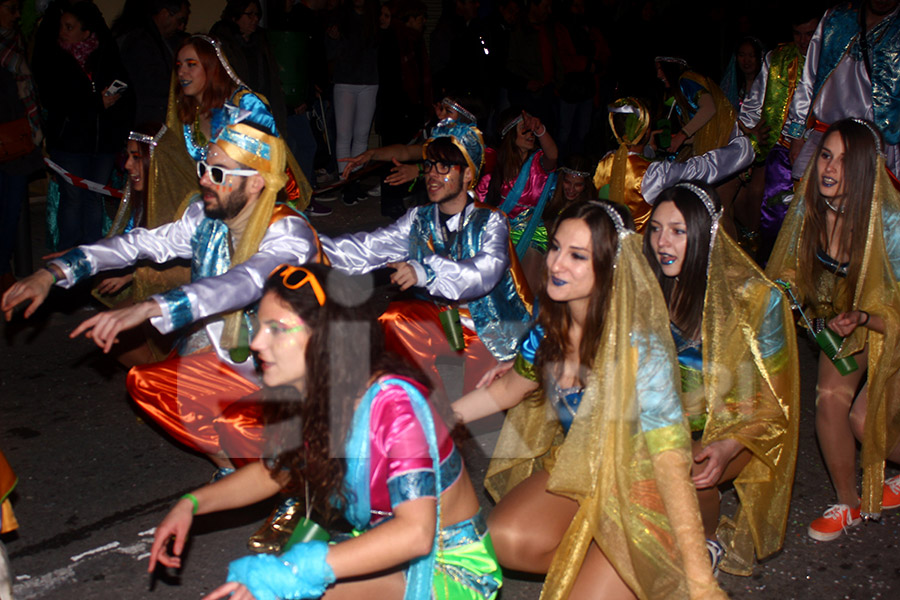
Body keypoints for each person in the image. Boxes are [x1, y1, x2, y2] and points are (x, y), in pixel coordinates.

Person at [148, 264, 503, 600]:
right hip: (389, 548)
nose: (256, 343)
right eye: (260, 325)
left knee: (290, 588)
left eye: (277, 328)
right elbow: (276, 473)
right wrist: (191, 504)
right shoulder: (324, 396)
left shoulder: (396, 407)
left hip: (449, 568)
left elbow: (416, 534)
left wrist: (292, 570)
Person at [1, 119, 321, 474]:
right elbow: (141, 242)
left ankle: (290, 471)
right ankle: (241, 473)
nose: (202, 180)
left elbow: (242, 282)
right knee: (153, 385)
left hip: (295, 363)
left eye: (218, 173)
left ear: (256, 182)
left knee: (237, 415)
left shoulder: (288, 233)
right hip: (232, 350)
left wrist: (151, 307)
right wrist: (54, 273)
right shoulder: (204, 218)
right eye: (203, 167)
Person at [452, 201, 725, 599]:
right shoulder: (549, 331)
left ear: (610, 267)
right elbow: (508, 389)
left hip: (644, 488)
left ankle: (682, 552)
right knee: (504, 537)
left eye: (577, 256)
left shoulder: (639, 349)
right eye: (556, 247)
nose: (557, 264)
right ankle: (598, 555)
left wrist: (701, 581)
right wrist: (432, 416)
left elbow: (668, 463)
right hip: (581, 468)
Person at [643, 182, 799, 575]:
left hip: (736, 426)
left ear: (707, 233)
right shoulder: (649, 283)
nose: (663, 242)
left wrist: (729, 446)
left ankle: (708, 540)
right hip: (667, 418)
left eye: (679, 231)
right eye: (656, 228)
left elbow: (776, 403)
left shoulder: (756, 298)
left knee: (686, 464)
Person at [322, 120, 533, 401]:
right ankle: (422, 402)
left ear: (468, 173)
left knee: (482, 408)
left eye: (444, 167)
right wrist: (308, 246)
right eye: (430, 165)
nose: (433, 174)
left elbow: (483, 274)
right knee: (396, 319)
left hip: (491, 328)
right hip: (441, 317)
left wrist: (425, 271)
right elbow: (368, 247)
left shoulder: (492, 221)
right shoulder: (419, 218)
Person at [766, 118, 900, 540]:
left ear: (863, 171)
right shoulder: (811, 206)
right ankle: (850, 504)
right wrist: (784, 287)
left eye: (844, 161)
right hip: (851, 321)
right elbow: (791, 262)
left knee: (866, 422)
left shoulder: (890, 224)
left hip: (892, 323)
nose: (829, 168)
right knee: (828, 398)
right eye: (826, 155)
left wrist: (867, 319)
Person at [32, 0, 134, 250]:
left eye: (69, 27)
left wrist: (114, 112)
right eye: (62, 26)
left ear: (86, 32)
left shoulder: (105, 53)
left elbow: (126, 92)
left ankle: (92, 259)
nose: (62, 31)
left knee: (94, 198)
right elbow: (54, 98)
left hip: (103, 142)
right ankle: (69, 257)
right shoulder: (52, 56)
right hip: (69, 142)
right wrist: (95, 102)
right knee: (73, 199)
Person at [593, 97, 754, 233]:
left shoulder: (604, 162)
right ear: (647, 131)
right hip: (640, 258)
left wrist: (649, 149)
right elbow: (703, 168)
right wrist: (747, 146)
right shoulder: (654, 174)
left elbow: (628, 161)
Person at [737, 9, 820, 263]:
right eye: (798, 34)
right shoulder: (778, 59)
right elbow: (752, 108)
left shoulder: (835, 57)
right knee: (774, 218)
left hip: (821, 152)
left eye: (810, 34)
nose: (804, 41)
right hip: (782, 152)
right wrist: (748, 137)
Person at [783, 0, 900, 178]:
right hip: (826, 135)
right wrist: (797, 133)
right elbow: (810, 76)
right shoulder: (836, 18)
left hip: (880, 144)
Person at [476, 109, 558, 290]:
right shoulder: (493, 168)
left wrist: (540, 129)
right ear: (510, 134)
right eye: (525, 129)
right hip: (500, 233)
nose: (531, 135)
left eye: (532, 131)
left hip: (531, 231)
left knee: (527, 292)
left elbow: (553, 155)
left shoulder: (538, 164)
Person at [0, 0, 42, 294]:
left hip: (16, 139)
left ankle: (3, 270)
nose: (17, 16)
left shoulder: (17, 42)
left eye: (19, 9)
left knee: (11, 209)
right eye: (10, 8)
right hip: (8, 130)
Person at [655, 56, 735, 160]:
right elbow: (704, 131)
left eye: (660, 69)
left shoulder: (686, 80)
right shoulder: (684, 84)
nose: (658, 75)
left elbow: (709, 108)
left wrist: (682, 135)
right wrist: (678, 140)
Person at [543, 155, 596, 222]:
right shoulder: (546, 197)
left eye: (578, 185)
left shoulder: (590, 211)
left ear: (586, 185)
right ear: (561, 179)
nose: (571, 190)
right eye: (567, 182)